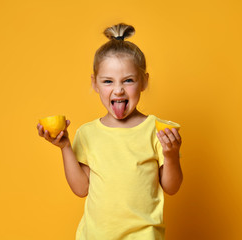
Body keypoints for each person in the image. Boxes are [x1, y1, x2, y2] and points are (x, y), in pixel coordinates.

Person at [37, 23, 183, 240]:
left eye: (129, 80)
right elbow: (81, 189)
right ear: (95, 84)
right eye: (108, 81)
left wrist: (171, 155)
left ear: (144, 81)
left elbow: (171, 187)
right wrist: (65, 146)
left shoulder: (157, 130)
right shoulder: (87, 133)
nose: (118, 89)